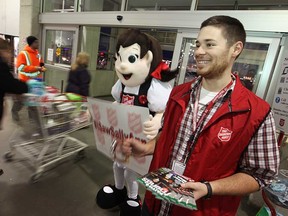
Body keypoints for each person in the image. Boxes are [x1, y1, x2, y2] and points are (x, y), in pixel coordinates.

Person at [120, 15, 280, 216]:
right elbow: (171, 137)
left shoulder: (256, 112)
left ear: (235, 49)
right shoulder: (179, 93)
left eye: (209, 44)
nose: (198, 52)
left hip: (202, 211)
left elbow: (259, 176)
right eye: (197, 44)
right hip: (155, 203)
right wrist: (146, 148)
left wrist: (209, 188)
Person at [11, 36, 45, 121]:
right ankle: (14, 111)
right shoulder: (23, 54)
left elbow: (41, 62)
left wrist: (42, 67)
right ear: (31, 43)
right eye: (36, 42)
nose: (38, 44)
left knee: (32, 102)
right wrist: (35, 68)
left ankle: (32, 120)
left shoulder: (38, 54)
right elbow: (20, 67)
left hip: (36, 82)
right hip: (25, 82)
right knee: (21, 101)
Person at [0, 38, 28, 129]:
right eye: (9, 52)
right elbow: (11, 84)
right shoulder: (2, 66)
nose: (11, 55)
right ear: (2, 51)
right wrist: (27, 86)